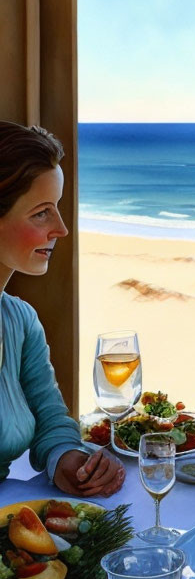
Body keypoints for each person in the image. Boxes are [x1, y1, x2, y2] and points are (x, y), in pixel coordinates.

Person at [0, 121, 125, 495]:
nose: (61, 229)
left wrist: (67, 458)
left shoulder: (19, 321)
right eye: (41, 213)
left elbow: (50, 417)